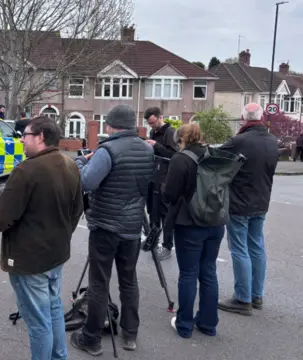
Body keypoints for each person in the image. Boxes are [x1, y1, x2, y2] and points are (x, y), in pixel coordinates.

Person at [0, 116, 84, 360]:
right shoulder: (70, 164)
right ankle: (59, 357)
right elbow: (77, 211)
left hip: (30, 261)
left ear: (40, 137)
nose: (22, 139)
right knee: (53, 311)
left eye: (26, 135)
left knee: (39, 323)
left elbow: (0, 221)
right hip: (57, 255)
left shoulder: (26, 169)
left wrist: (2, 200)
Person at [71, 105, 154, 355]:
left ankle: (92, 339)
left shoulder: (107, 150)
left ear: (110, 125)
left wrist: (78, 162)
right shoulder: (146, 149)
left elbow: (86, 182)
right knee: (129, 281)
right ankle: (130, 335)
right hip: (132, 226)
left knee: (99, 283)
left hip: (106, 226)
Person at [162, 123, 225, 338]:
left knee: (188, 274)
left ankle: (184, 325)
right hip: (215, 221)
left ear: (181, 139)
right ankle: (208, 324)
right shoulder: (214, 156)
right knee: (208, 272)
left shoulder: (181, 159)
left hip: (189, 223)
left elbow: (169, 194)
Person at [217, 103, 279, 315]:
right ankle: (256, 295)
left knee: (239, 249)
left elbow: (215, 158)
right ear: (261, 117)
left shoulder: (239, 141)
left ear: (243, 117)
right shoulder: (272, 141)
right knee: (257, 247)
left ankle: (242, 299)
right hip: (261, 202)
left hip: (239, 203)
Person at [144, 107, 179, 261]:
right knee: (152, 212)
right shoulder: (153, 133)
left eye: (153, 122)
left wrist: (155, 145)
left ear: (160, 118)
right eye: (149, 123)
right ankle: (153, 241)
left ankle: (167, 246)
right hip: (152, 177)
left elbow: (174, 155)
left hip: (164, 179)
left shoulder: (170, 132)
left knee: (165, 214)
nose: (151, 126)